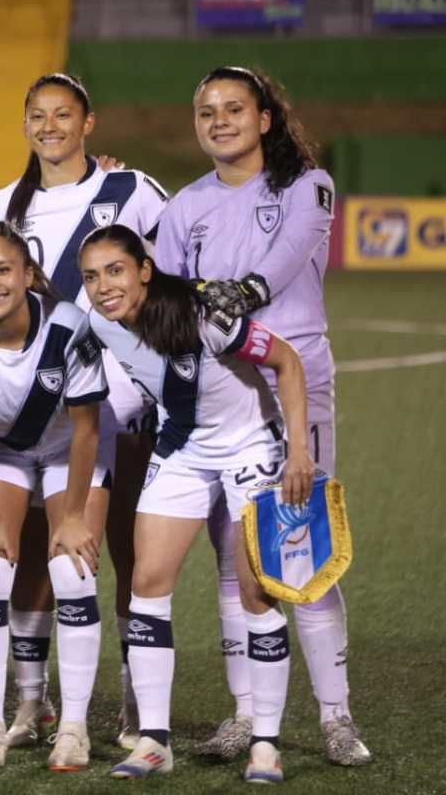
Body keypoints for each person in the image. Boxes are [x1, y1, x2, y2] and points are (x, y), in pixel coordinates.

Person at [153, 65, 370, 766]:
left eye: (233, 108)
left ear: (265, 117)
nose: (219, 120)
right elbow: (163, 298)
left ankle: (337, 716)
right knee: (234, 555)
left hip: (293, 383)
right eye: (206, 110)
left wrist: (232, 293)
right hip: (222, 395)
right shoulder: (185, 206)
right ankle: (247, 713)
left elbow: (279, 265)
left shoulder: (309, 185)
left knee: (299, 546)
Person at [79, 224, 314, 784]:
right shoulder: (98, 322)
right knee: (146, 585)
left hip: (250, 446)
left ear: (144, 269)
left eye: (115, 270)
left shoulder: (206, 315)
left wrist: (299, 451)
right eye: (91, 276)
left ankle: (264, 743)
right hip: (183, 448)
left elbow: (287, 363)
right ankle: (155, 741)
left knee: (256, 593)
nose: (103, 286)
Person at [0, 72, 169, 751]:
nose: (51, 125)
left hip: (127, 407)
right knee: (36, 552)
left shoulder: (132, 190)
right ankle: (32, 703)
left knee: (127, 549)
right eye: (38, 114)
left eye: (64, 114)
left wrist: (154, 375)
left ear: (89, 123)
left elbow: (169, 278)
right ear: (26, 123)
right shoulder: (3, 202)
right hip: (40, 412)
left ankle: (129, 699)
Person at [0, 221, 108, 772]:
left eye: (3, 270)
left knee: (72, 570)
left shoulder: (70, 329)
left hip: (68, 454)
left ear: (28, 276)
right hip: (4, 452)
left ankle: (73, 728)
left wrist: (74, 516)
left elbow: (85, 431)